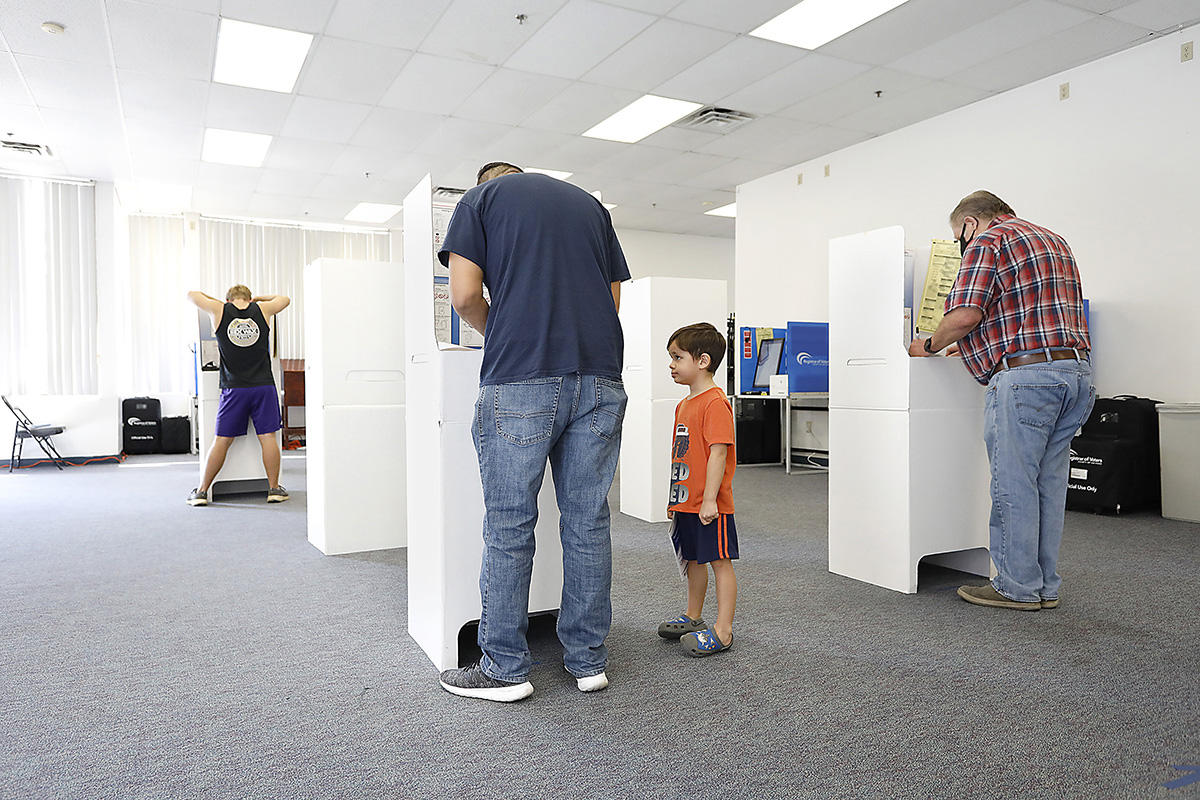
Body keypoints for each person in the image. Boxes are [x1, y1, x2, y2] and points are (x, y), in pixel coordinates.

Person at [436, 162, 630, 702]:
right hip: (600, 377)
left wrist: (500, 329)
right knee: (588, 519)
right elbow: (612, 300)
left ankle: (504, 668)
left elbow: (464, 294)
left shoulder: (479, 202)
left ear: (486, 180)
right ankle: (589, 661)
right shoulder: (590, 206)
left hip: (522, 376)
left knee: (509, 522)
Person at [909, 190, 1094, 611]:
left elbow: (966, 314)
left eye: (959, 236)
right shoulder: (1053, 239)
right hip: (1075, 374)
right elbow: (1026, 312)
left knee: (1013, 484)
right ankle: (1044, 585)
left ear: (970, 224)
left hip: (1027, 380)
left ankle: (1015, 586)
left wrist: (932, 345)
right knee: (1048, 486)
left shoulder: (987, 242)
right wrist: (975, 346)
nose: (962, 244)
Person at [658, 323, 739, 655]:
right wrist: (673, 498)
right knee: (692, 560)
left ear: (703, 361)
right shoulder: (684, 405)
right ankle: (693, 616)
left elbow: (718, 453)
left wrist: (709, 500)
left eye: (678, 357)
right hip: (686, 502)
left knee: (719, 561)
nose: (672, 365)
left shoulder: (715, 403)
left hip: (710, 505)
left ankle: (723, 630)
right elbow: (682, 455)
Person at [186, 285, 291, 507]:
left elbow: (192, 294)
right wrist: (261, 299)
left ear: (229, 298)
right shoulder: (263, 310)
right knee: (268, 438)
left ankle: (202, 491)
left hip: (234, 388)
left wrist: (220, 302)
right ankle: (274, 489)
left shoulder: (219, 309)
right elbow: (285, 299)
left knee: (222, 440)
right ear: (249, 298)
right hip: (263, 386)